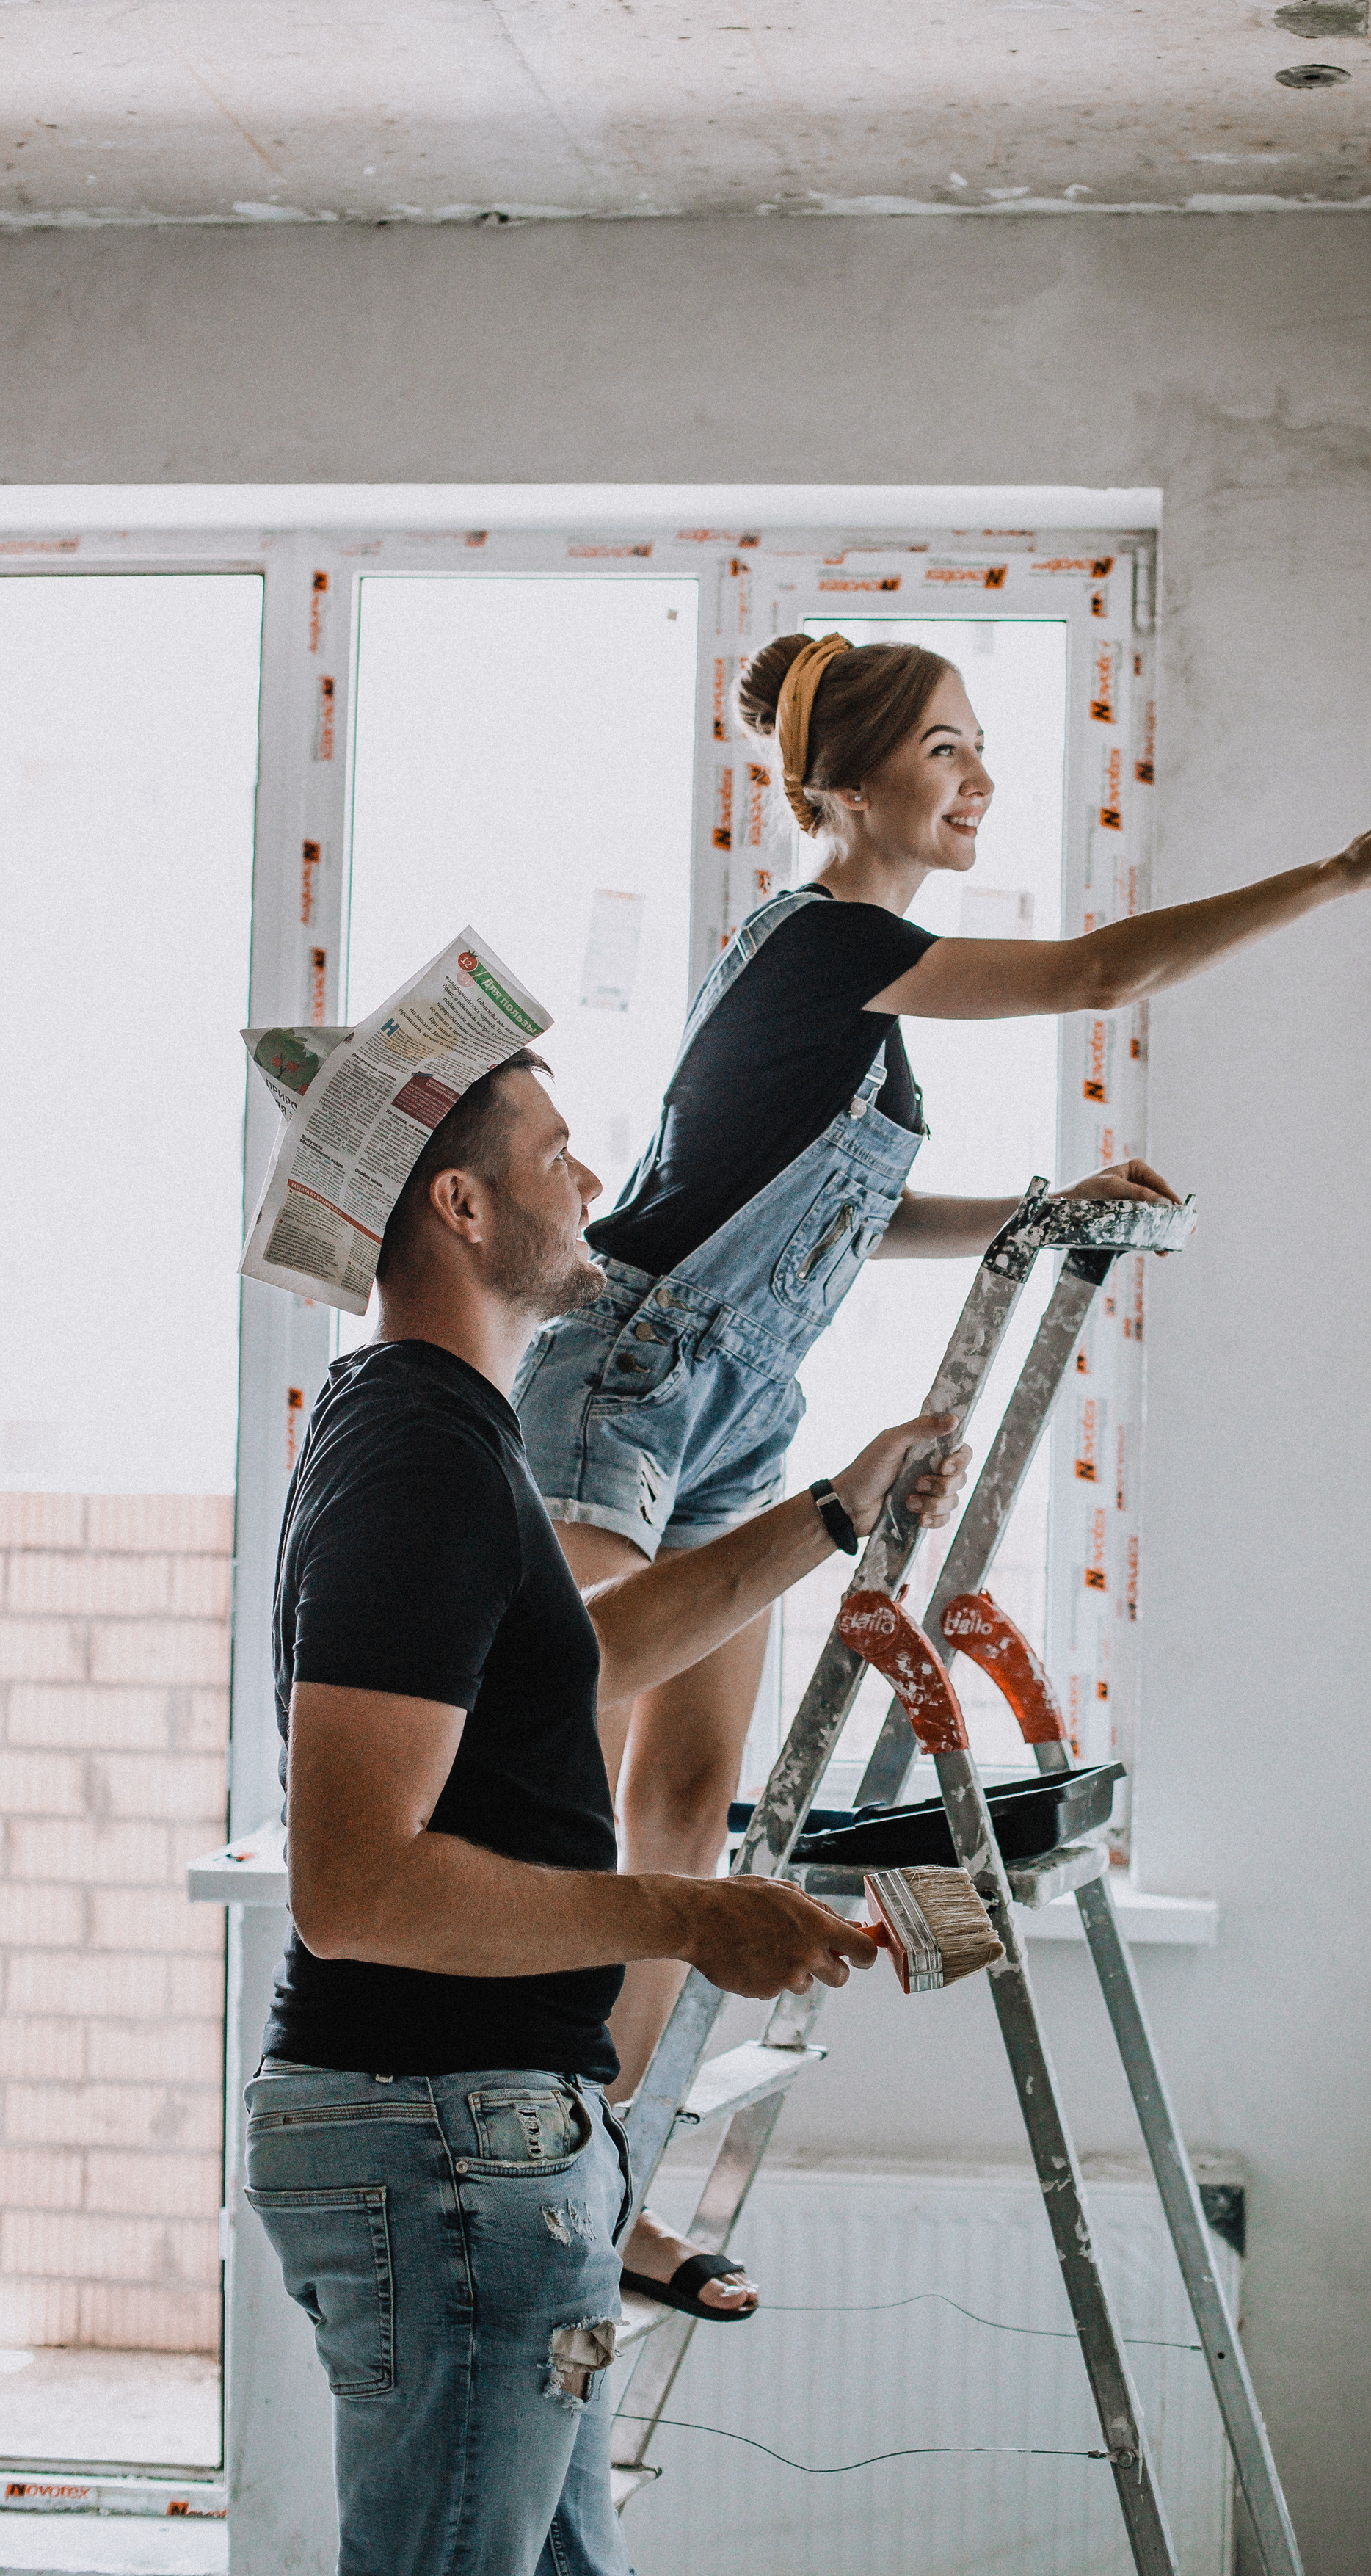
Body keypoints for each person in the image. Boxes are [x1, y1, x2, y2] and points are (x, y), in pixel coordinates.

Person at [514, 628, 1371, 2315]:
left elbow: (850, 1219)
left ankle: (600, 2183)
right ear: (844, 783)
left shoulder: (851, 1002)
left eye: (979, 748)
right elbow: (1101, 972)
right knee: (562, 1781)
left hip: (737, 1401)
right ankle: (509, 2168)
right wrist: (1341, 867)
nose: (977, 778)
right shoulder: (824, 942)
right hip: (637, 1372)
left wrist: (1037, 1216)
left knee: (683, 1803)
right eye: (946, 749)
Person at [245, 1049, 968, 2576]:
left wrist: (834, 1507)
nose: (595, 1186)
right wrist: (691, 1915)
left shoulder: (446, 1435)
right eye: (561, 1154)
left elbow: (591, 1655)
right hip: (440, 2137)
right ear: (459, 1202)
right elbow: (355, 1887)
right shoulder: (416, 1457)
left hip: (479, 2132)